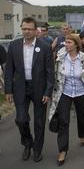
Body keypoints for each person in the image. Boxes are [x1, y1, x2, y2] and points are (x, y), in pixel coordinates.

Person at [4, 17, 54, 162]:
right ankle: (27, 143)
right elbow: (9, 70)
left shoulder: (44, 47)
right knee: (21, 119)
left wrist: (48, 91)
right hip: (20, 88)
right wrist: (8, 90)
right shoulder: (13, 46)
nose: (26, 31)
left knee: (39, 122)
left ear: (35, 30)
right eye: (24, 29)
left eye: (29, 29)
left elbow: (50, 72)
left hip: (39, 88)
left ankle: (37, 150)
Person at [48, 34, 84, 166]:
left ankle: (83, 135)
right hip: (65, 93)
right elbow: (55, 75)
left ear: (76, 44)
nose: (66, 45)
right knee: (64, 121)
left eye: (69, 42)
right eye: (65, 43)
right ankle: (62, 150)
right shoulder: (60, 58)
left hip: (81, 93)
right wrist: (53, 92)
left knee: (81, 116)